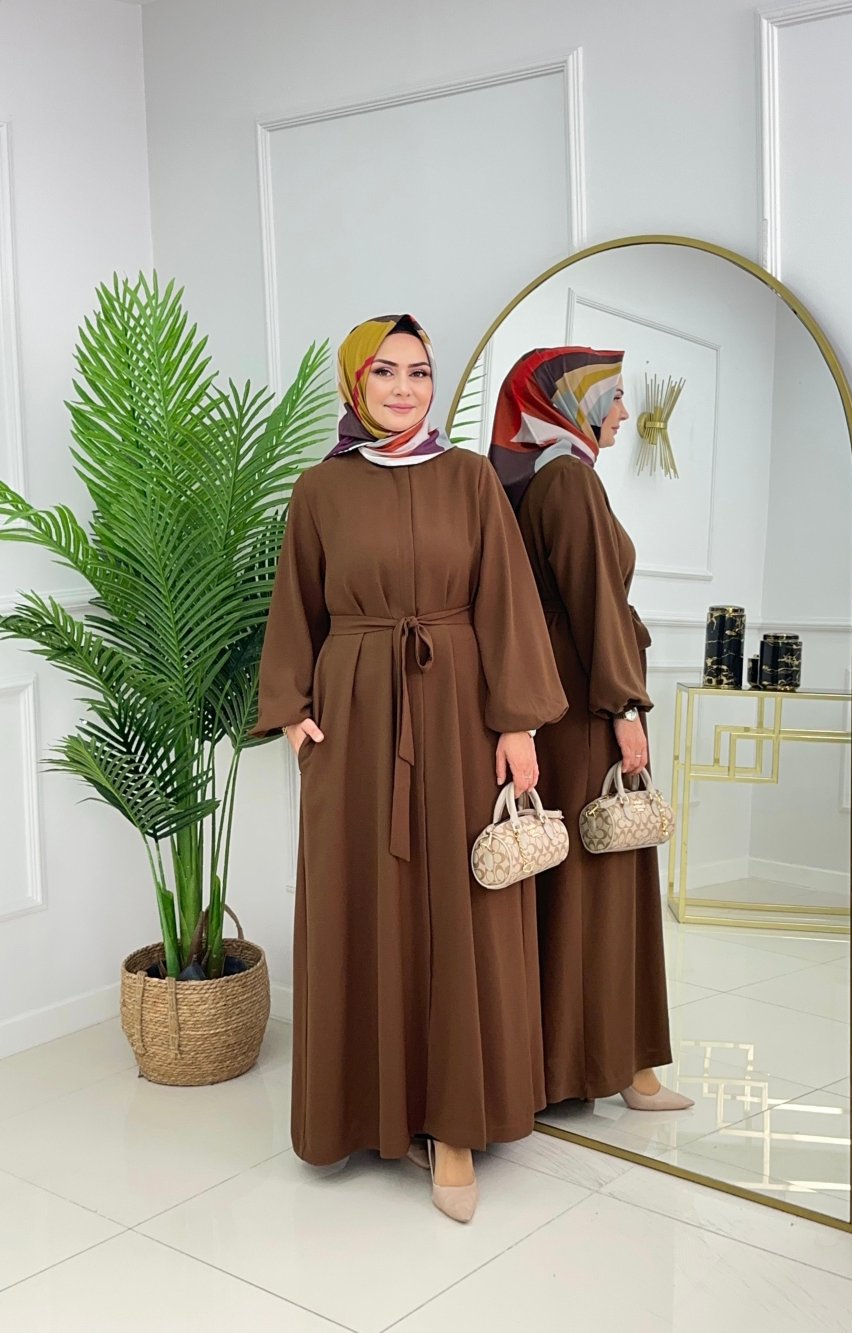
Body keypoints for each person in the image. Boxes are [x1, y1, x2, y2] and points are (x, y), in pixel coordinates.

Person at [252, 315, 567, 1223]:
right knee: (362, 902)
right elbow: (294, 606)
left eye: (420, 372)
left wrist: (517, 722)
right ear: (356, 383)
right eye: (385, 372)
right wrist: (295, 717)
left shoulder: (470, 478)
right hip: (353, 722)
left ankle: (455, 1125)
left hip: (461, 710)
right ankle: (360, 1110)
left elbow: (508, 599)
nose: (404, 388)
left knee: (457, 905)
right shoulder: (320, 488)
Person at [488, 346, 693, 1114]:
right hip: (585, 708)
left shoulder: (538, 480)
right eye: (611, 397)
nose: (623, 412)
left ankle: (578, 1069)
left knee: (575, 887)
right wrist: (625, 709)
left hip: (562, 705)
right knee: (601, 888)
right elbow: (596, 605)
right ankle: (619, 1071)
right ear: (570, 400)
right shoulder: (569, 481)